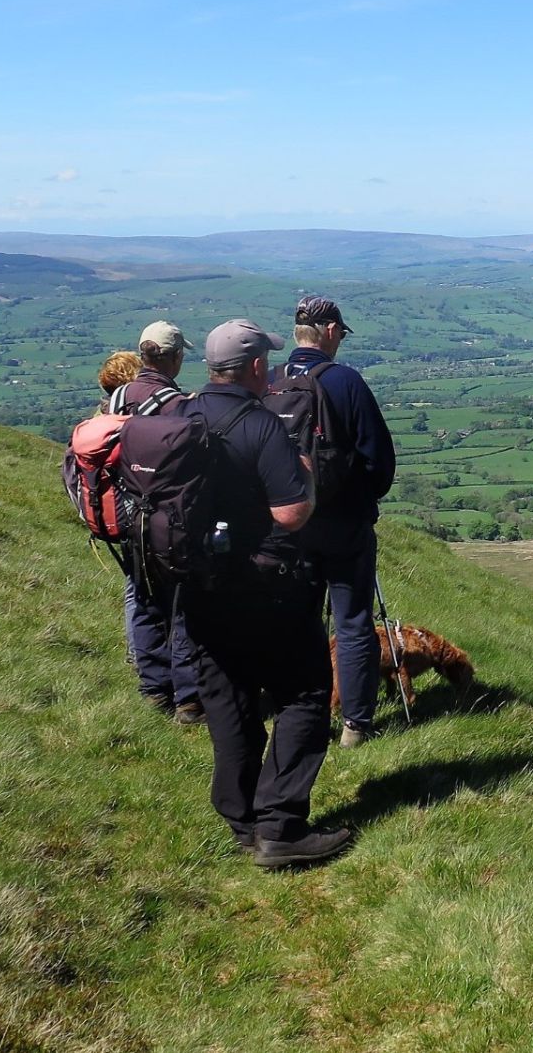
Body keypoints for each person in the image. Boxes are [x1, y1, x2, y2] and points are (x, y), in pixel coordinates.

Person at [181, 319, 350, 869]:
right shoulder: (261, 426)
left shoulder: (176, 415)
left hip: (199, 587)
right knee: (303, 694)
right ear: (256, 367)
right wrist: (305, 475)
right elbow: (291, 512)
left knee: (227, 698)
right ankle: (279, 828)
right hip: (268, 587)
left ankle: (240, 819)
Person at [280, 295, 395, 748]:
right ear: (329, 331)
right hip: (344, 523)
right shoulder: (345, 382)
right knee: (352, 622)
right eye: (341, 333)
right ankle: (356, 725)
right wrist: (363, 499)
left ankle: (301, 712)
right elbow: (379, 459)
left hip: (289, 524)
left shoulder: (271, 382)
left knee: (299, 621)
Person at [120, 322, 202, 724]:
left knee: (143, 600)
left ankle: (154, 690)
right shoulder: (175, 403)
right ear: (172, 358)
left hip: (127, 518)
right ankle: (188, 699)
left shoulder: (118, 396)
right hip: (170, 521)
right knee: (182, 606)